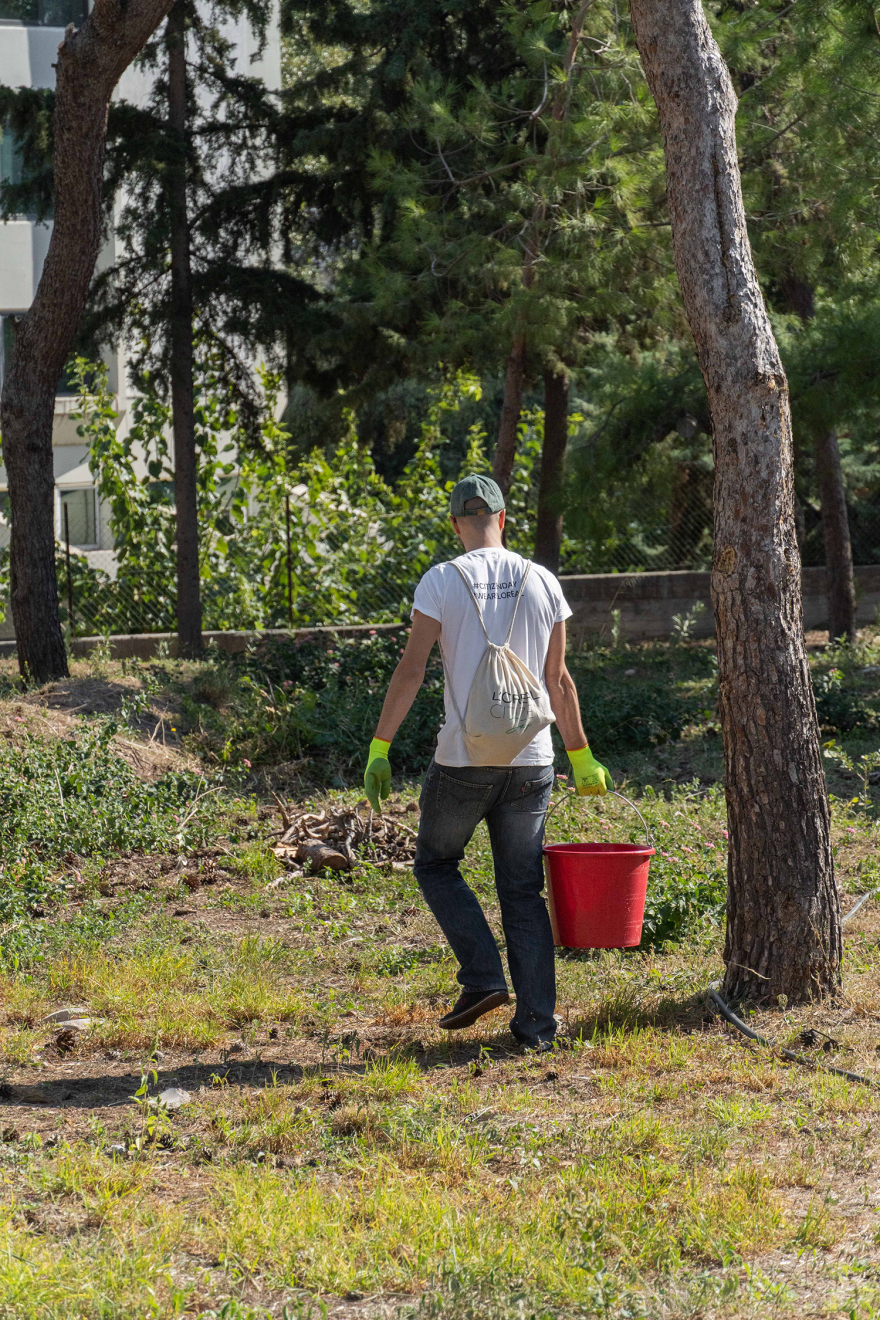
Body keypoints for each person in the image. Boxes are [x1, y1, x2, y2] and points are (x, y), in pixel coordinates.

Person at [363, 475, 611, 1051]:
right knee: (523, 893)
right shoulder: (543, 580)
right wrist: (581, 754)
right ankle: (536, 1030)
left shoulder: (442, 581)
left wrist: (381, 747)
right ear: (505, 519)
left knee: (436, 864)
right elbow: (557, 681)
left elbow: (411, 670)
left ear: (455, 525)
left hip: (463, 761)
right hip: (532, 761)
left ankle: (481, 978)